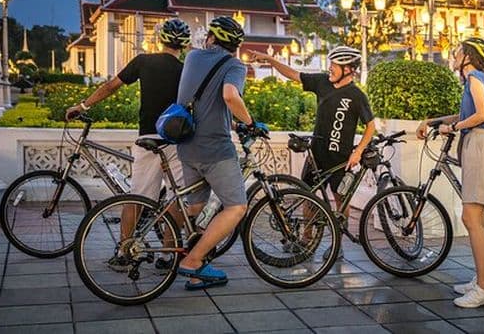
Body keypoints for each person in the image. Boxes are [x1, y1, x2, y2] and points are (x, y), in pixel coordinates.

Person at [65, 18, 191, 270]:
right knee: (179, 197)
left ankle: (125, 251)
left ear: (161, 39)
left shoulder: (144, 61)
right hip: (176, 141)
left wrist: (82, 106)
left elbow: (112, 86)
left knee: (138, 197)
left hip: (148, 139)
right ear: (184, 45)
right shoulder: (186, 69)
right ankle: (168, 254)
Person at [249, 45, 376, 257]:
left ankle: (338, 246)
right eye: (331, 64)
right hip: (316, 155)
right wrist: (268, 59)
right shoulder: (322, 83)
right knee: (307, 196)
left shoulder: (357, 95)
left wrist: (358, 152)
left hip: (341, 159)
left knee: (340, 201)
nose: (331, 68)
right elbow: (292, 74)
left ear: (348, 70)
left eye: (335, 65)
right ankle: (306, 241)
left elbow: (371, 126)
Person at [175, 16, 265, 290]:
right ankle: (193, 260)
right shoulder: (235, 65)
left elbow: (206, 102)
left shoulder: (191, 58)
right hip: (214, 147)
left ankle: (196, 270)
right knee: (237, 207)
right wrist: (250, 124)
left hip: (186, 143)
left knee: (196, 209)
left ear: (211, 38)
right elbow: (229, 96)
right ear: (235, 46)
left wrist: (234, 122)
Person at [416, 37, 484, 308]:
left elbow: (482, 115)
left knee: (471, 217)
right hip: (476, 144)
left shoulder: (475, 76)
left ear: (468, 56)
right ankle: (482, 279)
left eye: (456, 52)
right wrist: (433, 122)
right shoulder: (473, 81)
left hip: (480, 144)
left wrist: (452, 129)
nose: (452, 55)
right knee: (476, 218)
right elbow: (465, 113)